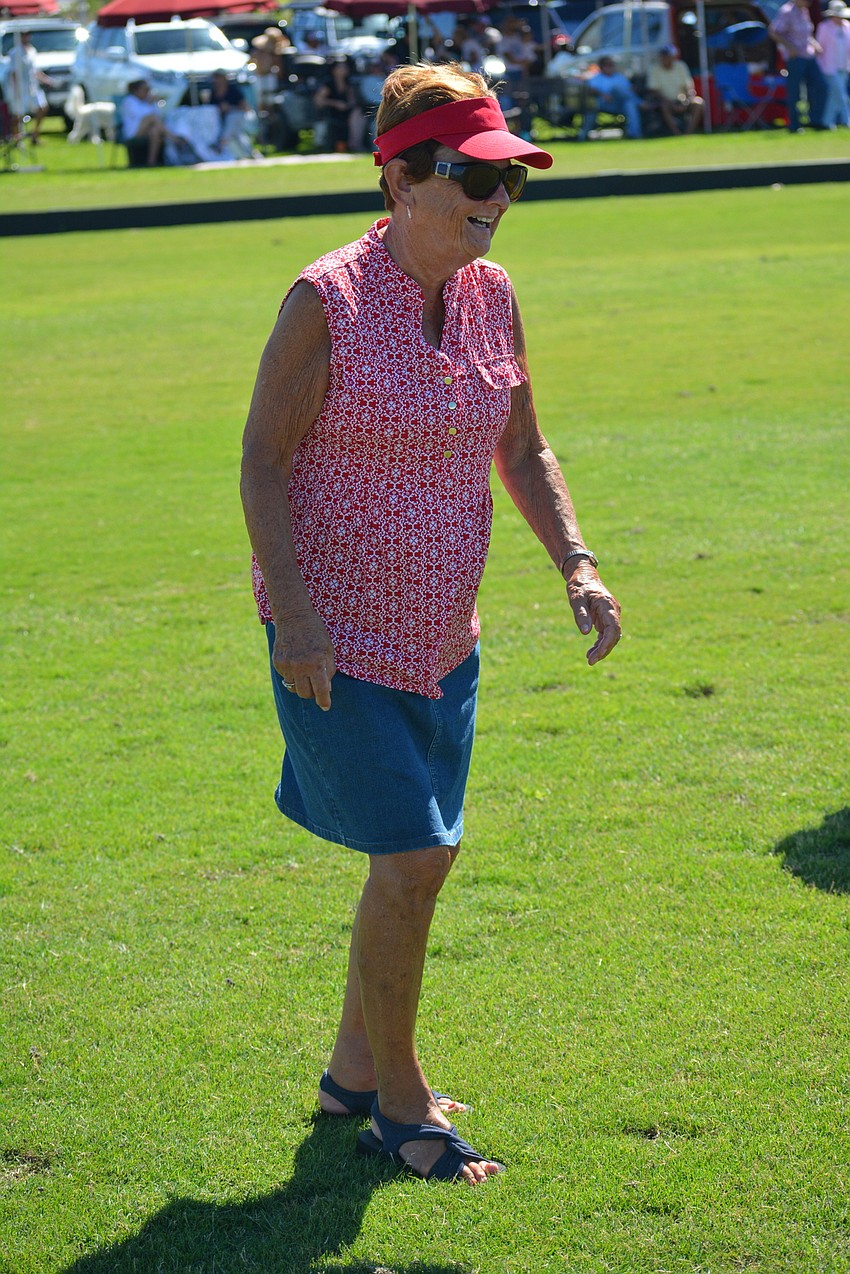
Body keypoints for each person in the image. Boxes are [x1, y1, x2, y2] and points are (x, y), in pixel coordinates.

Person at [241, 63, 621, 1185]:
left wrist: (578, 563)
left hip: (441, 635)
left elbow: (522, 446)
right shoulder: (326, 300)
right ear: (401, 178)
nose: (495, 203)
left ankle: (351, 1072)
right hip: (334, 639)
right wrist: (296, 617)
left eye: (508, 184)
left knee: (418, 864)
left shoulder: (491, 295)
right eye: (472, 178)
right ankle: (399, 1106)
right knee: (414, 857)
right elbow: (262, 461)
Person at [769, 0, 828, 130]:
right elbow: (774, 32)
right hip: (795, 58)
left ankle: (815, 120)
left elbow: (805, 34)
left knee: (821, 86)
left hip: (809, 56)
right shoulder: (787, 11)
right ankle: (794, 125)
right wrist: (789, 47)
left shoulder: (804, 11)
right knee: (794, 92)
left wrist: (815, 44)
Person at [645, 44, 704, 134]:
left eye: (667, 56)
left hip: (682, 100)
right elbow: (654, 90)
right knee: (664, 106)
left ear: (673, 57)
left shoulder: (681, 66)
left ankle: (688, 132)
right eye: (662, 56)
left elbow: (688, 86)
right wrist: (671, 103)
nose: (664, 59)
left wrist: (686, 101)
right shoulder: (655, 68)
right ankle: (676, 133)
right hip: (665, 101)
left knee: (698, 103)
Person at [580, 55, 643, 139]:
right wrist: (603, 94)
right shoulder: (596, 78)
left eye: (611, 64)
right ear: (601, 67)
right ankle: (641, 103)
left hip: (620, 104)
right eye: (607, 65)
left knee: (629, 104)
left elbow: (629, 90)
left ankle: (634, 134)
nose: (610, 67)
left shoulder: (619, 77)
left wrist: (634, 88)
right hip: (605, 103)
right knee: (615, 89)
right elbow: (591, 90)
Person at [5, 30, 51, 142]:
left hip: (33, 86)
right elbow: (14, 72)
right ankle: (16, 139)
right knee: (18, 114)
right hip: (20, 87)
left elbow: (34, 70)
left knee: (42, 108)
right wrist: (16, 90)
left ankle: (35, 135)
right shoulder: (14, 52)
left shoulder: (32, 50)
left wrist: (46, 80)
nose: (26, 37)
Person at [120, 79, 176, 166]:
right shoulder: (129, 101)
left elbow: (158, 115)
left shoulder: (145, 102)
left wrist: (151, 103)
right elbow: (145, 116)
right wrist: (149, 103)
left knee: (155, 131)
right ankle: (172, 138)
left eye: (148, 89)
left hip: (145, 130)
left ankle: (151, 161)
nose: (147, 92)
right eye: (145, 89)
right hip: (133, 132)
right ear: (136, 91)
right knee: (152, 118)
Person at [313, 56, 364, 152]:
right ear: (334, 70)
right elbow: (318, 101)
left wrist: (349, 104)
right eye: (340, 68)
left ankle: (355, 142)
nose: (343, 70)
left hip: (346, 111)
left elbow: (352, 101)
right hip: (331, 111)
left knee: (357, 113)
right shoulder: (328, 84)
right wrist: (336, 103)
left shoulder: (348, 83)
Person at [815, 0, 850, 128]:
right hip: (829, 67)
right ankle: (847, 120)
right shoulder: (824, 27)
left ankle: (827, 122)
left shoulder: (847, 27)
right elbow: (820, 48)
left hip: (844, 66)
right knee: (841, 95)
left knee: (834, 96)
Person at [209, 70, 257, 158]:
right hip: (223, 119)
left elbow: (245, 107)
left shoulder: (233, 90)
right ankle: (252, 154)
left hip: (238, 116)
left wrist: (230, 107)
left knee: (231, 122)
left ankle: (221, 145)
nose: (216, 81)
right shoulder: (213, 93)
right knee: (237, 136)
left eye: (218, 78)